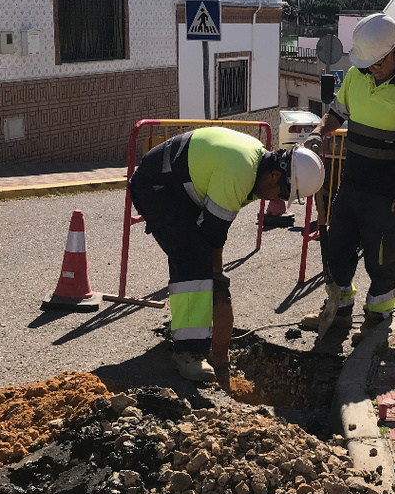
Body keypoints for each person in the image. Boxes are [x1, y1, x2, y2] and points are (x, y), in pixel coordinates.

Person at [129, 126, 324, 381]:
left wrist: (217, 280)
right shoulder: (240, 171)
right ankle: (188, 351)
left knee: (196, 254)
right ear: (275, 175)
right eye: (283, 194)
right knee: (193, 256)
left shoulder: (257, 167)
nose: (277, 199)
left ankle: (191, 333)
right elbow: (213, 234)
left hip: (180, 187)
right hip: (156, 187)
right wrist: (219, 282)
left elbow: (214, 228)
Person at [300, 13, 395, 339]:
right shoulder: (355, 75)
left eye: (377, 63)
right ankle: (340, 310)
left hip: (387, 191)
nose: (372, 69)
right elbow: (336, 113)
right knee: (339, 249)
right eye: (368, 64)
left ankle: (377, 320)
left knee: (381, 258)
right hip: (352, 183)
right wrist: (320, 132)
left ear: (394, 51)